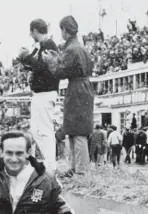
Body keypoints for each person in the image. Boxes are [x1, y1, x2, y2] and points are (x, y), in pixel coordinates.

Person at [43, 15, 95, 176]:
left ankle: (80, 170)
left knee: (77, 131)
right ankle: (76, 167)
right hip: (83, 87)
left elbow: (61, 72)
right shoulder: (80, 47)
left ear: (65, 30)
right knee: (74, 129)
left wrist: (50, 61)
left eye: (62, 30)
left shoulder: (72, 49)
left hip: (77, 89)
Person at [17, 19, 60, 172]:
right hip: (41, 93)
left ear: (35, 30)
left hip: (45, 93)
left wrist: (27, 57)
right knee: (36, 130)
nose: (31, 35)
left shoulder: (48, 44)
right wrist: (26, 61)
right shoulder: (43, 45)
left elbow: (42, 67)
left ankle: (50, 165)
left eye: (31, 32)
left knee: (44, 130)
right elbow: (39, 66)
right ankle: (47, 163)